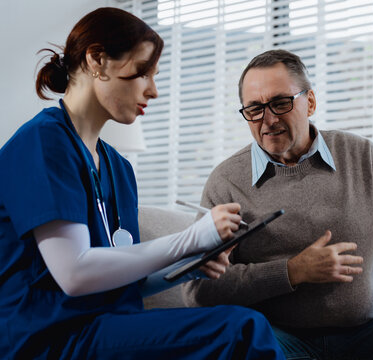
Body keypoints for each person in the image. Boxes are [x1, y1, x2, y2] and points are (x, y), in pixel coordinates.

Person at [0, 8, 285, 359]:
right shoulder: (42, 144)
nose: (153, 91)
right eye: (142, 73)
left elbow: (121, 281)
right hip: (50, 339)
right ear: (97, 61)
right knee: (243, 330)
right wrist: (188, 239)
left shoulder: (118, 168)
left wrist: (186, 267)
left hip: (106, 326)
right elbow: (74, 274)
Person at [180, 49, 373, 359]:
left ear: (311, 102)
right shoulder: (226, 182)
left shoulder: (360, 157)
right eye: (254, 109)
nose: (268, 119)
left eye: (280, 103)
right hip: (276, 337)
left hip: (365, 333)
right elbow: (197, 290)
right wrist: (291, 271)